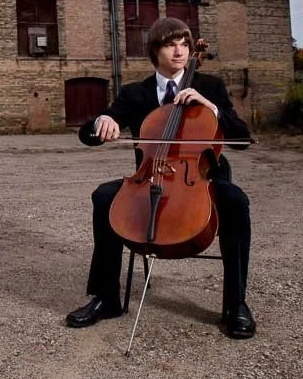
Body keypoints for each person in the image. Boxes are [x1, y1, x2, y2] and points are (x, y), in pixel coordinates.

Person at [65, 17, 256, 339]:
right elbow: (88, 135)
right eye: (171, 44)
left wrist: (211, 108)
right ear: (155, 51)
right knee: (104, 196)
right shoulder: (134, 93)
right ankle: (106, 298)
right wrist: (104, 120)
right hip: (149, 178)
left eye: (184, 44)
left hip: (202, 179)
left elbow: (243, 138)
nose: (179, 52)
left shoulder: (210, 86)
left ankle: (236, 304)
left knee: (236, 201)